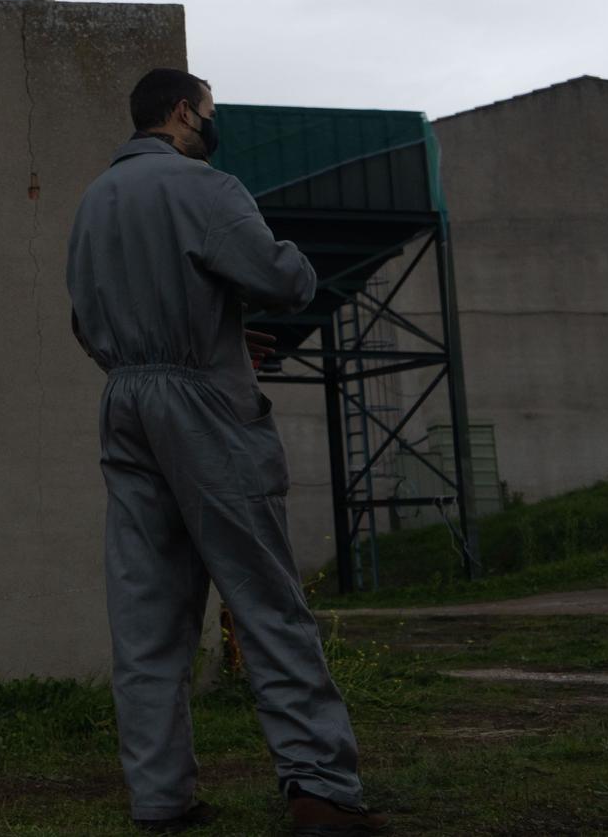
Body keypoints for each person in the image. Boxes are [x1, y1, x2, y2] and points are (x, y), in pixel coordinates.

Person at [65, 69, 388, 835]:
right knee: (266, 596)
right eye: (209, 112)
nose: (213, 125)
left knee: (147, 612)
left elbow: (88, 321)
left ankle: (161, 800)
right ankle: (320, 790)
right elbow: (280, 277)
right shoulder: (204, 186)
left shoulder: (91, 203)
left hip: (126, 401)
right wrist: (273, 286)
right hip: (205, 406)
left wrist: (187, 338)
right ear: (182, 112)